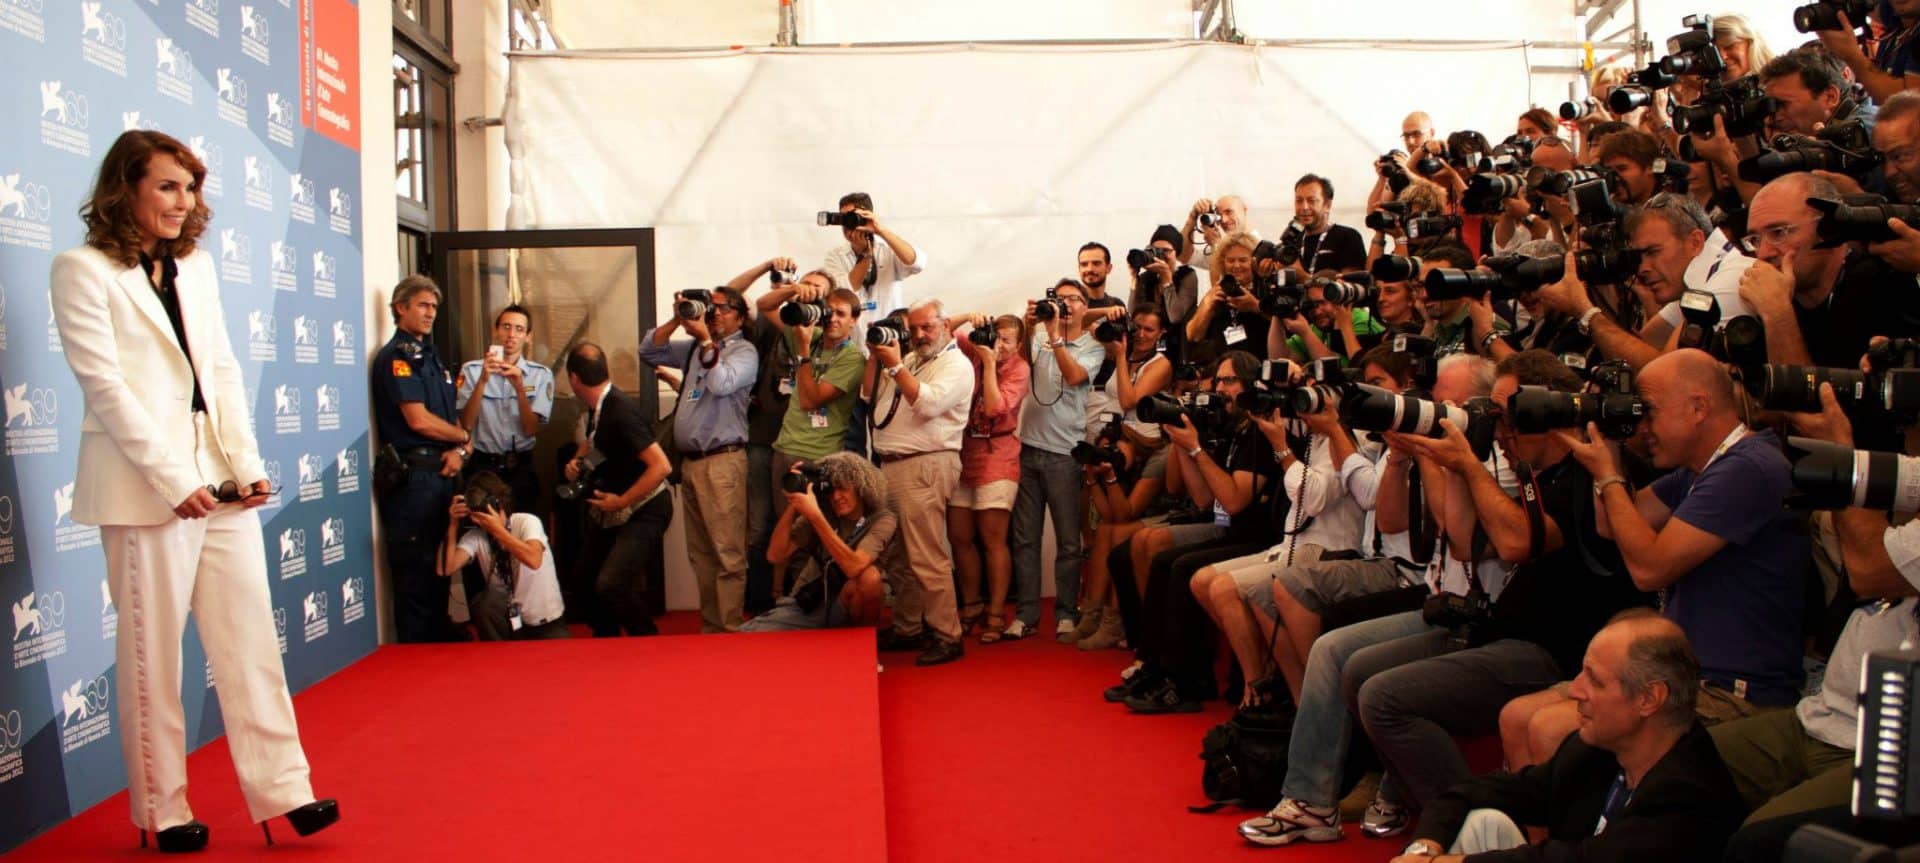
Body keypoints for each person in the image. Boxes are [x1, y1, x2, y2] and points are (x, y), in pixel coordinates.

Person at [50, 129, 337, 851]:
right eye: (168, 186)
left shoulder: (197, 268)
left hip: (222, 482)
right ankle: (164, 809)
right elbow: (106, 389)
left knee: (250, 643)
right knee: (153, 658)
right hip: (146, 490)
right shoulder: (81, 270)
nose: (184, 202)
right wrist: (175, 479)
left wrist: (245, 462)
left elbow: (224, 372)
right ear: (127, 189)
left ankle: (285, 789)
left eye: (190, 188)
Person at [1357, 350, 1644, 832]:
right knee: (1357, 672)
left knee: (1383, 697)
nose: (1501, 432)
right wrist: (1450, 462)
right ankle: (1442, 814)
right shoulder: (1537, 471)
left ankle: (1464, 826)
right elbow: (1467, 544)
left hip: (1552, 651)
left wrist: (1470, 467)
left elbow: (1515, 543)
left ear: (1546, 410)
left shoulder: (1587, 471)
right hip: (1502, 633)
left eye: (1510, 419)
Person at [1716, 383, 1920, 861]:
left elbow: (1869, 570)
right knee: (1678, 765)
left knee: (1762, 842)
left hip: (1893, 750)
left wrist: (1846, 458)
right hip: (1829, 711)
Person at [1389, 613, 1745, 863]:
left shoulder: (1689, 796)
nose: (1575, 690)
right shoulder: (1594, 750)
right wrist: (1423, 850)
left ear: (1649, 699)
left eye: (1596, 680)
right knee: (1481, 820)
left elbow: (1583, 859)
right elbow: (1472, 792)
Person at [639, 287, 759, 633]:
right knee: (701, 554)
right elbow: (649, 351)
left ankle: (730, 628)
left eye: (722, 308)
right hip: (691, 464)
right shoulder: (694, 347)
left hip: (723, 462)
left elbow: (722, 384)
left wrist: (706, 340)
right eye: (711, 308)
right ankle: (712, 628)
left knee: (727, 552)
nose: (714, 314)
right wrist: (679, 318)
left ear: (739, 315)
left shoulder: (744, 351)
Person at [867, 298, 974, 666]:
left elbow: (927, 405)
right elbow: (870, 398)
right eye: (912, 328)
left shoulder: (957, 364)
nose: (918, 335)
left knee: (926, 553)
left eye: (926, 326)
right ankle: (909, 626)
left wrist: (895, 365)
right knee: (898, 554)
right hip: (893, 465)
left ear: (946, 324)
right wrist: (877, 356)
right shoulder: (913, 360)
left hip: (925, 465)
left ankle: (947, 633)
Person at [1534, 194, 1755, 372]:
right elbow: (1639, 348)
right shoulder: (1700, 278)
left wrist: (1584, 311)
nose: (1642, 268)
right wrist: (1601, 282)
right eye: (1639, 256)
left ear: (1695, 241)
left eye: (1652, 252)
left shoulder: (1729, 282)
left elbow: (1662, 375)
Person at [372, 274, 471, 643]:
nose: (430, 314)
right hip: (413, 478)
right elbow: (418, 420)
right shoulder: (397, 357)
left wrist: (461, 449)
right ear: (401, 308)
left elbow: (450, 419)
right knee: (415, 573)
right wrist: (462, 437)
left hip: (443, 473)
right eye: (423, 306)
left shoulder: (433, 358)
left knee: (439, 569)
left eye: (434, 307)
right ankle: (417, 653)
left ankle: (437, 642)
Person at [756, 279, 867, 597]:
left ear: (853, 321)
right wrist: (796, 291)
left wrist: (803, 353)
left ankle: (801, 604)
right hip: (784, 449)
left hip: (818, 456)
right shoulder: (812, 336)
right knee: (781, 530)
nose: (833, 319)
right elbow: (765, 306)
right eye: (828, 311)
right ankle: (780, 599)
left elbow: (810, 400)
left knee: (805, 536)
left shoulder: (852, 358)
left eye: (841, 314)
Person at [1010, 279, 1107, 640]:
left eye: (1073, 300)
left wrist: (1054, 336)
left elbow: (1074, 375)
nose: (1065, 305)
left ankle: (1066, 612)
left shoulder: (1093, 347)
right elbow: (1018, 366)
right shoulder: (1036, 336)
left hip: (1065, 453)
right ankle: (1026, 615)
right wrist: (1027, 322)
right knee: (1025, 540)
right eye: (1060, 299)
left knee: (1069, 542)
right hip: (1028, 448)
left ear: (1085, 307)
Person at [566, 342, 676, 637]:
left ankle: (647, 640)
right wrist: (578, 461)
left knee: (611, 583)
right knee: (584, 580)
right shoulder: (599, 407)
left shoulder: (620, 411)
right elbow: (598, 443)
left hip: (645, 507)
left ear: (573, 379)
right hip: (613, 508)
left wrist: (622, 501)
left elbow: (661, 466)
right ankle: (607, 642)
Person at [746, 453, 899, 632]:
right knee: (748, 635)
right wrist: (794, 504)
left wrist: (816, 517)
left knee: (870, 578)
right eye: (831, 490)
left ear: (860, 487)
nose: (836, 497)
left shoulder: (882, 519)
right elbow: (775, 555)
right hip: (810, 603)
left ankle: (860, 647)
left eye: (843, 489)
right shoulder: (824, 511)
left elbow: (854, 566)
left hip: (847, 604)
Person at [950, 314, 1030, 643]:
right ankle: (971, 606)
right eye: (995, 337)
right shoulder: (976, 349)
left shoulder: (1019, 368)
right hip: (964, 453)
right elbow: (944, 330)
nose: (999, 346)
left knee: (992, 540)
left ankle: (996, 611)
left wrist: (987, 361)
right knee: (960, 537)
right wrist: (970, 318)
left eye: (1007, 341)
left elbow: (995, 407)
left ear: (1019, 345)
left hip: (998, 456)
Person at [438, 471, 568, 640]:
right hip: (507, 619)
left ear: (497, 504)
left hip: (544, 621)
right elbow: (445, 569)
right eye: (474, 516)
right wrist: (453, 525)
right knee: (483, 604)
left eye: (482, 514)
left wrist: (497, 530)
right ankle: (499, 657)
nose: (478, 521)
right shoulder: (477, 535)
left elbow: (534, 560)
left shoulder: (526, 522)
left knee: (559, 663)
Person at [456, 304, 553, 514]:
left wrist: (519, 388)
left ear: (528, 337)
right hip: (482, 465)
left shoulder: (540, 375)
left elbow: (530, 429)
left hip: (521, 467)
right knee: (480, 534)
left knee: (521, 532)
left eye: (519, 329)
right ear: (495, 330)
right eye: (506, 327)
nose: (511, 335)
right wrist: (483, 381)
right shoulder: (471, 370)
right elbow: (465, 424)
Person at [820, 191, 924, 325]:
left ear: (867, 216)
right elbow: (845, 290)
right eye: (843, 218)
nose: (848, 224)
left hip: (888, 330)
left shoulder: (889, 248)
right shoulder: (834, 256)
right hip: (853, 336)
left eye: (852, 217)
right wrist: (866, 252)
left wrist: (880, 230)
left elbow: (916, 263)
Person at [1290, 174, 1368, 276]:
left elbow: (1351, 286)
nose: (1304, 207)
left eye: (1311, 201)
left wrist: (1303, 278)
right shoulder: (1291, 241)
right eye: (1299, 201)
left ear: (1327, 205)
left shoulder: (1347, 237)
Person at [1182, 194, 1254, 268]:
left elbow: (1236, 273)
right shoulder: (1222, 245)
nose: (1224, 220)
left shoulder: (1257, 246)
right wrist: (1193, 216)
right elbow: (1184, 256)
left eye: (1229, 212)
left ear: (1244, 210)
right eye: (1219, 215)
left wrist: (1216, 245)